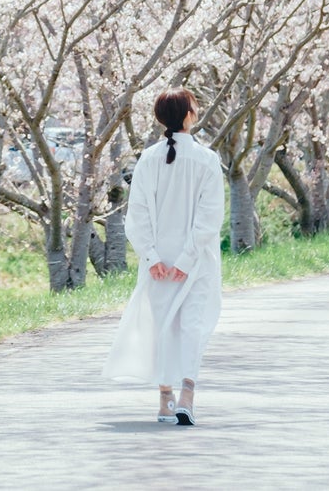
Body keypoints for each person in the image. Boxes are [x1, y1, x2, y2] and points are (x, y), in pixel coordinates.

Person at [103, 88, 224, 426]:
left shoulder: (149, 158)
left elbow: (137, 212)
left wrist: (152, 255)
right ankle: (187, 394)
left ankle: (164, 399)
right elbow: (209, 216)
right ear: (188, 115)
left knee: (162, 326)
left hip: (158, 262)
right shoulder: (207, 160)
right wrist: (187, 260)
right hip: (196, 261)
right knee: (192, 326)